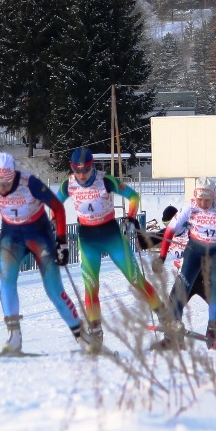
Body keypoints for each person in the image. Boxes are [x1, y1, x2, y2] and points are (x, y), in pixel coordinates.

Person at [0, 152, 84, 354]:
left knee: (53, 290)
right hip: (12, 235)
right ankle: (14, 337)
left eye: (6, 183)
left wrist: (61, 241)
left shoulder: (29, 182)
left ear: (13, 175)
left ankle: (82, 336)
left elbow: (57, 207)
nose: (2, 189)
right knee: (6, 280)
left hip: (39, 234)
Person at [53, 147, 161, 352]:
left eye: (86, 170)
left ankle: (166, 318)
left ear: (92, 167)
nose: (82, 175)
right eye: (77, 170)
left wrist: (131, 217)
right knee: (91, 287)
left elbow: (133, 196)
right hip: (88, 239)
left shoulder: (105, 180)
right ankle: (96, 334)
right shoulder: (69, 184)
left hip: (111, 235)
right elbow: (55, 205)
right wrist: (54, 222)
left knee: (136, 279)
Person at [156, 178, 216, 349]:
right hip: (195, 251)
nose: (203, 204)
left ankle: (214, 330)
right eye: (199, 199)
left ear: (214, 196)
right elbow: (170, 229)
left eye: (207, 200)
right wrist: (162, 257)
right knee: (178, 292)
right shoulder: (190, 206)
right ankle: (174, 336)